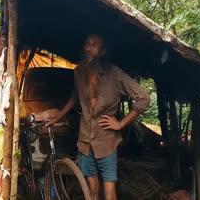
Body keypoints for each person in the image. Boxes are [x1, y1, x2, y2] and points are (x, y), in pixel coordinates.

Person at [45, 34, 151, 200]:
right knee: (92, 189)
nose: (87, 48)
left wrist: (121, 123)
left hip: (106, 141)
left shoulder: (115, 74)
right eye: (87, 44)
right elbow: (75, 94)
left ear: (102, 51)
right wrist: (60, 115)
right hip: (85, 141)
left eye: (93, 45)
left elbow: (144, 98)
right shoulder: (79, 72)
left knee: (109, 194)